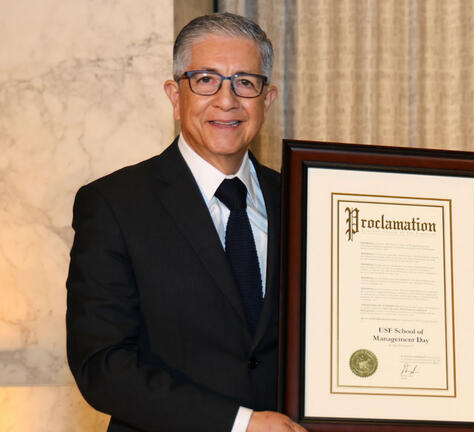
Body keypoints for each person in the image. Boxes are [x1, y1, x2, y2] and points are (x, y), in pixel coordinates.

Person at [66, 13, 306, 432]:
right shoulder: (113, 205)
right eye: (206, 80)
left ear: (266, 100)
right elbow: (102, 366)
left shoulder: (302, 201)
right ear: (175, 96)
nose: (227, 100)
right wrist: (241, 424)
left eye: (245, 82)